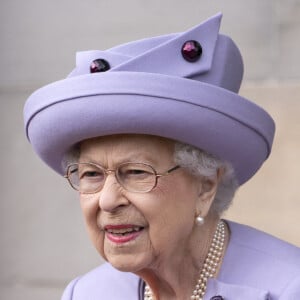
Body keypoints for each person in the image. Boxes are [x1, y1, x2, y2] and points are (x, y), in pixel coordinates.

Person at [24, 13, 300, 300]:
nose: (107, 200)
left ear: (205, 185)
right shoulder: (85, 293)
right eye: (91, 174)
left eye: (135, 172)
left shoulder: (290, 288)